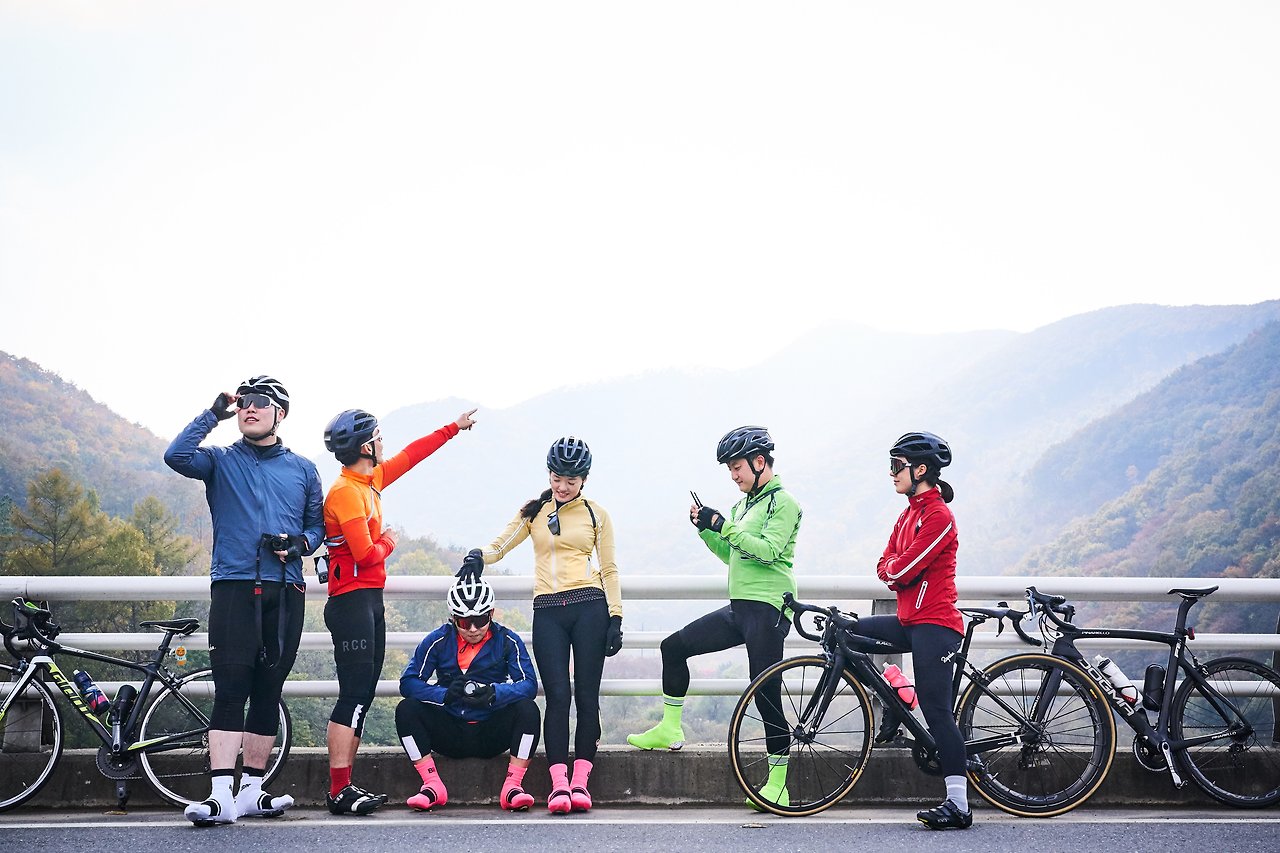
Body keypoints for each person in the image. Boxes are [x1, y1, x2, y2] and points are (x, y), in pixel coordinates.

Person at [164, 375, 323, 826]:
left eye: (259, 402)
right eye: (243, 402)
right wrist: (213, 413)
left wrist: (297, 545)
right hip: (234, 586)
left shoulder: (303, 469)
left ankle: (252, 790)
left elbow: (316, 529)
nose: (248, 408)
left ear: (280, 414)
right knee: (232, 690)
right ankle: (221, 795)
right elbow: (175, 455)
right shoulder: (220, 460)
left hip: (286, 590)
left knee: (268, 690)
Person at [627, 425, 800, 810]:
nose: (733, 475)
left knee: (766, 692)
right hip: (740, 606)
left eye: (737, 467)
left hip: (769, 606)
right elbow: (732, 554)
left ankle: (778, 784)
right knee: (673, 647)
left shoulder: (783, 502)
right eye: (729, 469)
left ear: (759, 462)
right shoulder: (744, 506)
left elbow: (768, 551)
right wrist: (707, 530)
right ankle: (670, 727)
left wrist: (724, 524)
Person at [319, 406, 478, 815]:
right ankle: (338, 790)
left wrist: (453, 428)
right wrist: (391, 540)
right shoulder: (346, 491)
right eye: (377, 437)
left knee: (363, 696)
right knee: (353, 696)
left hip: (368, 600)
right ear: (365, 446)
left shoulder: (369, 480)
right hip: (351, 602)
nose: (382, 443)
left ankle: (345, 786)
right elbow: (366, 554)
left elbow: (411, 456)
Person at [456, 436, 623, 813]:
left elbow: (609, 568)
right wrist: (477, 556)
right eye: (556, 478)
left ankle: (581, 783)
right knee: (558, 697)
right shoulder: (534, 511)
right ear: (549, 474)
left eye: (571, 481)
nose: (562, 486)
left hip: (590, 607)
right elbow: (501, 546)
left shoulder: (596, 514)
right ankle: (559, 784)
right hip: (548, 611)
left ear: (584, 480)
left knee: (587, 697)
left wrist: (615, 616)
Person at [858, 431, 970, 830]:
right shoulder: (908, 515)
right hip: (910, 621)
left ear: (920, 470)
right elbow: (885, 563)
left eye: (897, 466)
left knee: (938, 712)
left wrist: (895, 569)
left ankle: (959, 805)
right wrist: (894, 569)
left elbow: (901, 569)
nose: (891, 473)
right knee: (847, 634)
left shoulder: (938, 516)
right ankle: (898, 695)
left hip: (936, 624)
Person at [396, 576, 540, 811]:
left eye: (480, 620)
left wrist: (494, 693)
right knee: (406, 710)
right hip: (451, 729)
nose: (473, 629)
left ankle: (513, 787)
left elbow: (529, 685)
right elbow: (408, 683)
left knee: (528, 710)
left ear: (491, 613)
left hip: (490, 729)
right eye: (464, 622)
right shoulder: (437, 640)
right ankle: (431, 785)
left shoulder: (508, 640)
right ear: (453, 618)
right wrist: (443, 695)